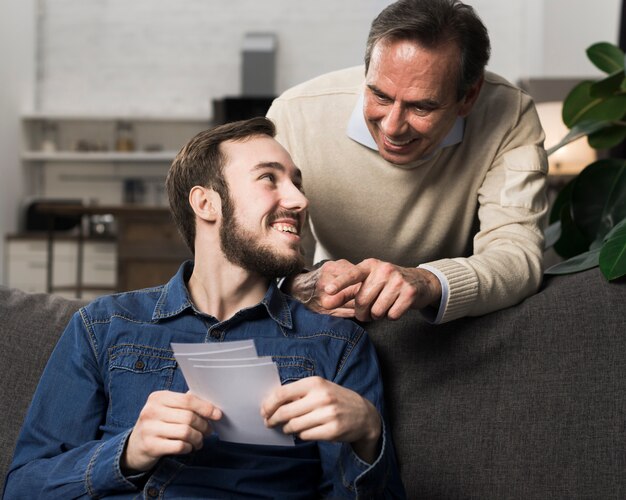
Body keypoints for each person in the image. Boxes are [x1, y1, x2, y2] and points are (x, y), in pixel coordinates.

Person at [4, 117, 405, 499]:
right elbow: (23, 488)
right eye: (270, 178)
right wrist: (127, 453)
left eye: (297, 183)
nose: (299, 200)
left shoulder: (337, 343)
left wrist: (367, 436)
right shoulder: (104, 326)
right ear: (206, 203)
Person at [267, 0, 548, 325]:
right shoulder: (294, 113)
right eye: (380, 96)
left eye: (422, 107)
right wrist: (297, 284)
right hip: (332, 319)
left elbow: (517, 256)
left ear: (469, 97)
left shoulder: (511, 115)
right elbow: (261, 245)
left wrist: (428, 281)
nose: (392, 127)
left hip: (451, 322)